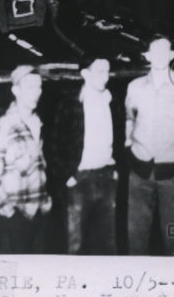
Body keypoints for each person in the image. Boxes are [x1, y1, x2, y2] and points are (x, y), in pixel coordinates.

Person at [124, 35, 174, 255]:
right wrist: (128, 145)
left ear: (171, 55)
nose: (159, 56)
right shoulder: (134, 87)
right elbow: (129, 118)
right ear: (147, 56)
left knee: (172, 241)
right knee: (136, 240)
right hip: (139, 170)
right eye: (154, 52)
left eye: (164, 51)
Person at [43, 57, 120, 254]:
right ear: (85, 74)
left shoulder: (111, 101)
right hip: (78, 180)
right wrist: (67, 176)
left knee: (106, 242)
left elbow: (119, 137)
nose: (106, 77)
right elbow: (53, 145)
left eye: (107, 71)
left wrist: (115, 169)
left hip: (107, 177)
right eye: (100, 71)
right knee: (74, 243)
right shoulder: (70, 103)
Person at [0, 65, 52, 253]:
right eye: (30, 88)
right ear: (16, 90)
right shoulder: (0, 128)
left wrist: (45, 201)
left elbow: (37, 168)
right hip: (14, 221)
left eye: (39, 87)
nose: (37, 93)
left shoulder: (36, 123)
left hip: (38, 214)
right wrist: (10, 214)